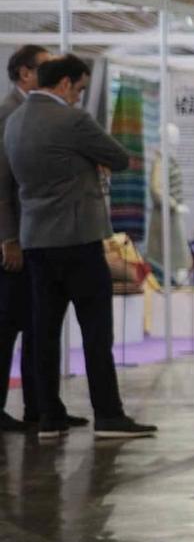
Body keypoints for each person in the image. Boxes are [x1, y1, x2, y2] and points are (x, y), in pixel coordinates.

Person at [2, 54, 157, 441]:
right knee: (95, 331)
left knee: (44, 332)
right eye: (80, 89)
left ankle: (48, 416)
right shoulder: (72, 120)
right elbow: (120, 158)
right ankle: (108, 415)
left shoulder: (15, 120)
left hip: (35, 240)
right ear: (66, 84)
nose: (79, 97)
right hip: (78, 240)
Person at [0, 43, 54, 434]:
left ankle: (41, 406)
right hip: (16, 242)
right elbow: (1, 186)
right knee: (7, 327)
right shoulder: (8, 115)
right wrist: (9, 239)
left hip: (39, 238)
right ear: (24, 74)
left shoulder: (40, 112)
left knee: (38, 325)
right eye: (46, 68)